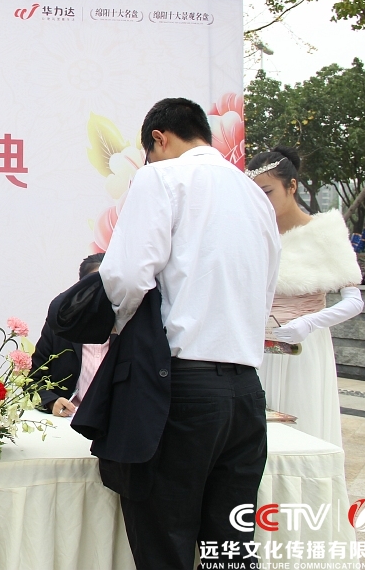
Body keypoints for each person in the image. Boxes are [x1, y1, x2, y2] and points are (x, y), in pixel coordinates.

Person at [98, 98, 280, 570]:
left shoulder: (161, 177)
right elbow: (266, 288)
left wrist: (123, 327)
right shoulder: (255, 196)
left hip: (179, 387)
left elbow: (126, 276)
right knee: (230, 549)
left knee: (165, 543)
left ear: (159, 138)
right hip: (245, 392)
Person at [247, 147, 363, 446]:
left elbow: (354, 300)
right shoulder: (253, 236)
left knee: (304, 425)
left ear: (292, 186)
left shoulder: (325, 232)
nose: (262, 201)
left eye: (268, 192)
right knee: (256, 435)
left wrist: (310, 323)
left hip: (305, 347)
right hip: (257, 347)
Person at [32, 253, 110, 416]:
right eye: (96, 284)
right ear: (82, 288)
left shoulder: (131, 330)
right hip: (68, 420)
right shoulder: (59, 329)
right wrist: (51, 401)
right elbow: (33, 379)